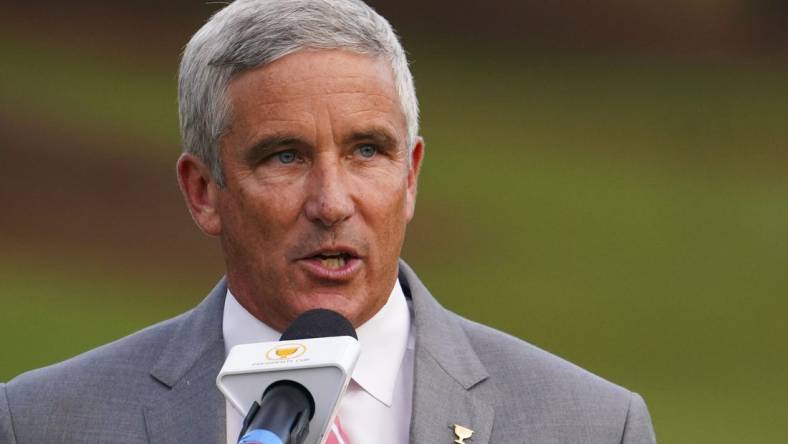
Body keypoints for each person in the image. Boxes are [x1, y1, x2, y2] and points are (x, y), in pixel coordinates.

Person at [0, 0, 656, 442]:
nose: (332, 202)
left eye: (366, 151)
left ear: (410, 177)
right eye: (284, 156)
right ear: (204, 192)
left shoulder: (591, 425)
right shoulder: (43, 422)